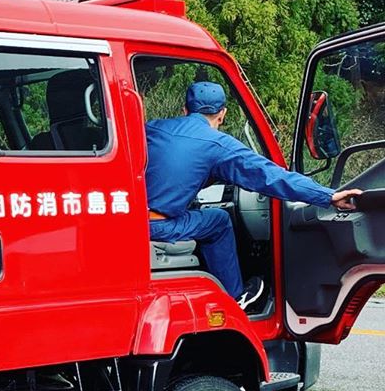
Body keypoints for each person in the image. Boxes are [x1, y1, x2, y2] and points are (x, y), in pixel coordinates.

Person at [146, 81, 361, 312]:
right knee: (218, 220)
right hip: (159, 227)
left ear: (185, 110)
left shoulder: (152, 128)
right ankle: (234, 297)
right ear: (222, 114)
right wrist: (328, 196)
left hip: (128, 221)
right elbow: (270, 176)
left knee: (197, 214)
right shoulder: (218, 144)